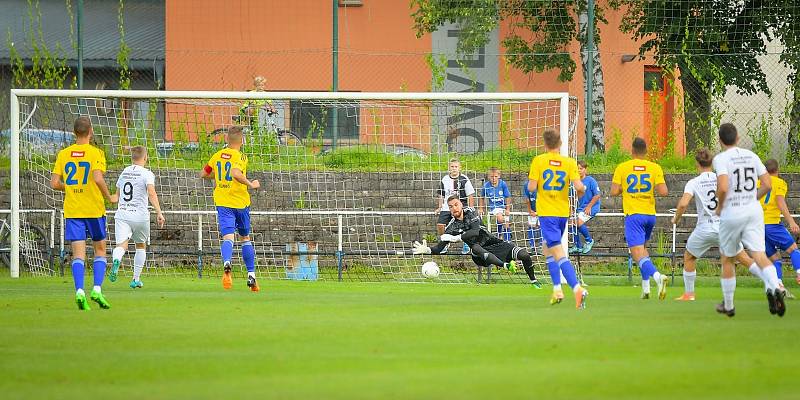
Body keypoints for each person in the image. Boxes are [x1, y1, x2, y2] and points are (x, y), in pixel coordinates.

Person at [713, 123, 785, 317]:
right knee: (759, 255)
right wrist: (752, 198)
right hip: (753, 211)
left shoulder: (721, 159)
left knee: (728, 258)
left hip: (732, 212)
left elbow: (723, 187)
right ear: (738, 138)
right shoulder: (752, 156)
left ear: (720, 141)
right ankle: (775, 285)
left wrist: (720, 206)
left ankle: (728, 305)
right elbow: (768, 184)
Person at [50, 116, 118, 310]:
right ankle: (96, 288)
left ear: (74, 133)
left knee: (78, 254)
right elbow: (97, 178)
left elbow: (54, 183)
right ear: (91, 132)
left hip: (73, 210)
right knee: (100, 250)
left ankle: (79, 291)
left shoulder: (64, 154)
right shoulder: (96, 153)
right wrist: (109, 197)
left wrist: (71, 187)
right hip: (94, 209)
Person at [672, 148, 755, 302]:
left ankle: (689, 294)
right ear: (712, 163)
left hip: (705, 228)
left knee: (689, 257)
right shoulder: (722, 179)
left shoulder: (694, 182)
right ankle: (774, 282)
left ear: (697, 163)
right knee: (744, 258)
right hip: (725, 227)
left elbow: (683, 204)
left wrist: (676, 219)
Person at [413, 194, 542, 288]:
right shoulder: (451, 227)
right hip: (479, 254)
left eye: (456, 205)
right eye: (451, 207)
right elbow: (439, 248)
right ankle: (506, 266)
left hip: (494, 243)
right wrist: (427, 249)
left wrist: (456, 238)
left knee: (524, 255)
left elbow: (475, 231)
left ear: (461, 204)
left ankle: (534, 281)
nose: (454, 208)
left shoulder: (471, 212)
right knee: (474, 247)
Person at [528, 130, 588, 308]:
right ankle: (556, 290)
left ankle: (577, 289)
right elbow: (579, 187)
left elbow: (531, 187)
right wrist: (581, 190)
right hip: (563, 213)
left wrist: (537, 183)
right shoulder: (569, 162)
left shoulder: (539, 160)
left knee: (558, 252)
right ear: (560, 143)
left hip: (547, 213)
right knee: (547, 248)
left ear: (545, 145)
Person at [200, 126, 262, 292]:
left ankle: (227, 262)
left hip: (223, 202)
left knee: (228, 237)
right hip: (240, 203)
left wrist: (219, 176)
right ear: (241, 140)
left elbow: (204, 174)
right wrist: (251, 184)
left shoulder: (217, 155)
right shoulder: (240, 155)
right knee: (245, 238)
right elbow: (235, 173)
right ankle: (251, 276)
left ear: (227, 139)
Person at [611, 137, 669, 300]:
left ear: (632, 151)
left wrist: (627, 187)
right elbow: (664, 191)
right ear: (646, 151)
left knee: (637, 254)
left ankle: (658, 277)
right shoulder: (654, 167)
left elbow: (614, 191)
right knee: (643, 251)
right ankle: (646, 289)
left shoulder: (623, 167)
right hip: (650, 215)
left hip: (634, 215)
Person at [109, 146, 166, 289]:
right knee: (141, 246)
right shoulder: (147, 173)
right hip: (140, 216)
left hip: (122, 214)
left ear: (132, 158)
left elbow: (116, 197)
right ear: (145, 158)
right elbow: (151, 193)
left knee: (121, 245)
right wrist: (159, 212)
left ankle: (117, 259)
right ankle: (135, 279)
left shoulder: (124, 172)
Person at [759, 159, 800, 297]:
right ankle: (799, 273)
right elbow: (780, 201)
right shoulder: (779, 183)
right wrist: (791, 222)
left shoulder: (758, 183)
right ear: (777, 169)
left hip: (757, 227)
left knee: (774, 258)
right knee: (793, 249)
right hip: (772, 224)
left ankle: (779, 286)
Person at [435, 158, 476, 254]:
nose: (454, 168)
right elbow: (441, 194)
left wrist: (471, 208)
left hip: (461, 206)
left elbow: (470, 195)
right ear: (449, 168)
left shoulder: (464, 179)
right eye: (452, 167)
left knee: (466, 224)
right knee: (440, 225)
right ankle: (444, 242)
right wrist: (440, 207)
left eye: (456, 167)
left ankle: (467, 243)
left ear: (459, 168)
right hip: (447, 207)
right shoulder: (445, 179)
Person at [570, 160, 601, 254]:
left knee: (577, 222)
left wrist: (589, 207)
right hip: (581, 209)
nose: (579, 170)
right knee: (571, 223)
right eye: (577, 169)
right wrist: (571, 209)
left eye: (581, 168)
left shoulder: (591, 180)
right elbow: (571, 197)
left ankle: (589, 240)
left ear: (585, 170)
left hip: (592, 207)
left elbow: (597, 195)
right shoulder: (574, 182)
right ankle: (578, 246)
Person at [480, 167, 512, 241]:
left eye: (495, 176)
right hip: (494, 207)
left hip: (503, 206)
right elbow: (482, 197)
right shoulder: (486, 186)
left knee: (505, 223)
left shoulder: (503, 184)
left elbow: (507, 197)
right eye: (492, 176)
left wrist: (508, 209)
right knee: (501, 218)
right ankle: (501, 234)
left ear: (499, 176)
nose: (494, 178)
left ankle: (506, 239)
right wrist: (481, 208)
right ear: (488, 177)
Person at [522, 179, 542, 252]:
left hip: (543, 209)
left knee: (542, 226)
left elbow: (544, 200)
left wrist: (539, 212)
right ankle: (532, 246)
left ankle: (541, 246)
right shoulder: (526, 185)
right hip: (532, 209)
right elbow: (527, 199)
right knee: (531, 226)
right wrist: (530, 210)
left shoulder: (542, 184)